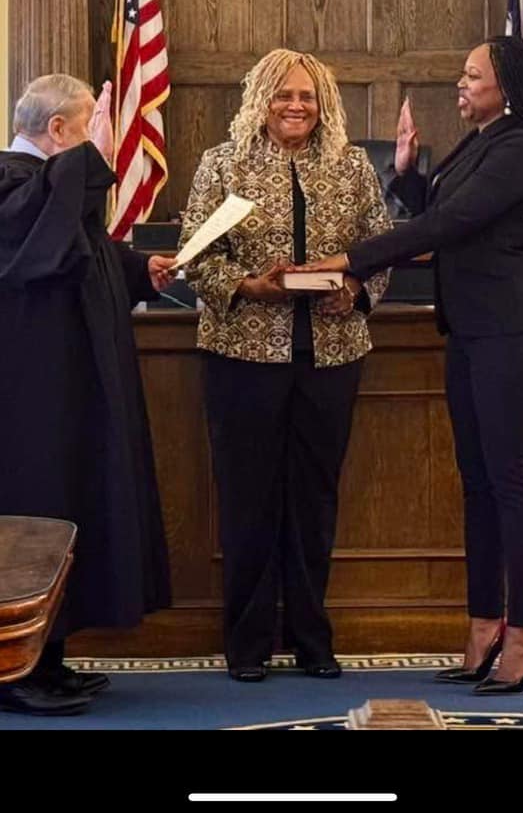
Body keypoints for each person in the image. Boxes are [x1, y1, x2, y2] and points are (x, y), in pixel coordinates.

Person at [293, 36, 523, 694]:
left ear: (506, 86)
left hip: (510, 330)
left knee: (510, 481)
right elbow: (442, 210)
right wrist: (409, 173)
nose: (459, 84)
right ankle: (481, 627)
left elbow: (449, 226)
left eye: (471, 75)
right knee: (477, 484)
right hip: (471, 330)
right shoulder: (483, 141)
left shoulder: (521, 146)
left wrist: (352, 260)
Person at [179, 49, 390, 682]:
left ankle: (311, 640)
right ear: (259, 101)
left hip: (330, 359)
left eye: (306, 96)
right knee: (249, 501)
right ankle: (246, 644)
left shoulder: (353, 167)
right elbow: (194, 256)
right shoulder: (223, 165)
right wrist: (248, 286)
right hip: (243, 358)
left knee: (314, 502)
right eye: (282, 95)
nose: (295, 106)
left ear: (324, 103)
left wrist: (355, 293)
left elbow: (382, 247)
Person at [0, 75, 175, 716]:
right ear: (59, 131)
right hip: (31, 401)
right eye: (88, 136)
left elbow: (80, 256)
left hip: (71, 393)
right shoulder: (11, 182)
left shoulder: (52, 193)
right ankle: (12, 672)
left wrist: (137, 269)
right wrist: (88, 161)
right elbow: (34, 256)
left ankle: (48, 657)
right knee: (34, 516)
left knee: (70, 510)